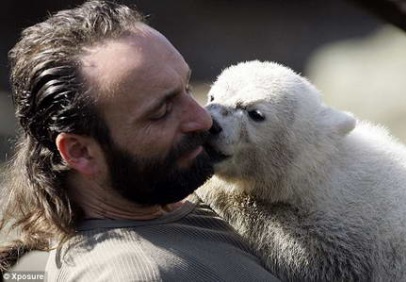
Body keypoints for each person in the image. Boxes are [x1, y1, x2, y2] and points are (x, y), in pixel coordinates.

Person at [0, 1, 280, 281]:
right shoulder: (135, 273)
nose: (204, 119)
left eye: (186, 88)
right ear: (80, 151)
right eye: (161, 112)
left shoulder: (174, 201)